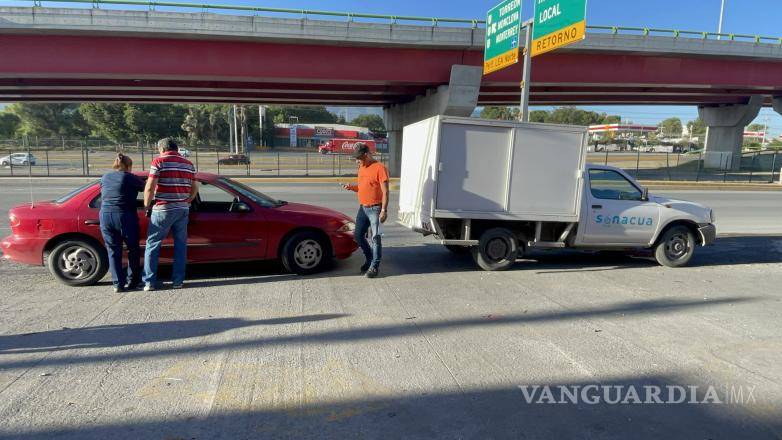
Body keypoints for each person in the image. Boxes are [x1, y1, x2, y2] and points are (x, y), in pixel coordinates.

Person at [142, 138, 198, 291]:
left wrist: (146, 206)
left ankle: (149, 282)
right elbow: (195, 187)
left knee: (153, 244)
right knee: (180, 245)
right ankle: (178, 281)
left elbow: (150, 187)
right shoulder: (189, 164)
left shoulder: (158, 162)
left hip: (163, 209)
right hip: (182, 209)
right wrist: (188, 200)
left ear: (162, 149)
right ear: (176, 148)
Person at [341, 143, 389, 278]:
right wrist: (351, 187)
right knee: (357, 235)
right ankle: (369, 259)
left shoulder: (380, 168)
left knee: (376, 238)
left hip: (376, 208)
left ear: (367, 155)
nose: (357, 161)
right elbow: (363, 187)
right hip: (363, 208)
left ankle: (374, 266)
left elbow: (386, 192)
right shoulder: (362, 167)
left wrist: (384, 210)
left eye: (359, 158)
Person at [99, 153, 144, 293]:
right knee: (133, 249)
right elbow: (147, 188)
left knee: (113, 251)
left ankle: (117, 284)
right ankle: (133, 282)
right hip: (124, 216)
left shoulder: (105, 177)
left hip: (105, 215)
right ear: (129, 166)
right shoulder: (129, 177)